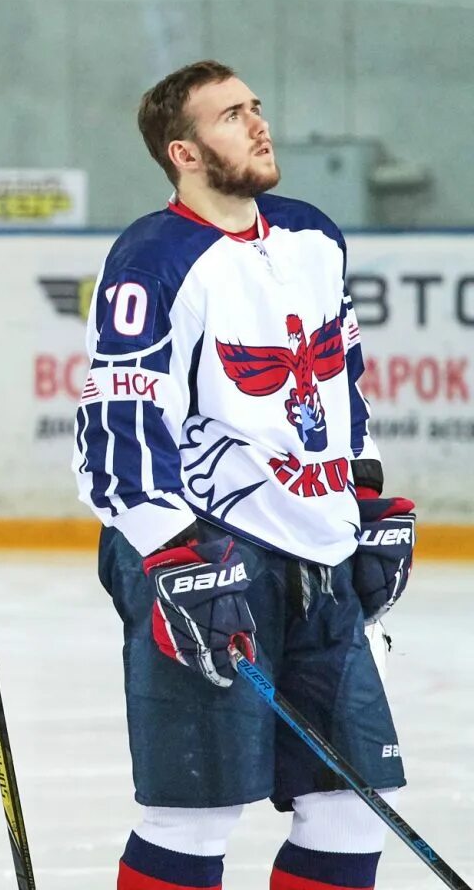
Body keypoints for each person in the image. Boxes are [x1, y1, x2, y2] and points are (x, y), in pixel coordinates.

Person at [74, 60, 417, 890]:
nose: (259, 124)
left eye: (257, 107)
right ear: (183, 152)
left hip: (318, 545)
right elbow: (118, 424)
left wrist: (360, 492)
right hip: (206, 550)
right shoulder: (153, 256)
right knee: (193, 819)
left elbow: (339, 380)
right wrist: (168, 553)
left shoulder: (311, 235)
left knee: (345, 805)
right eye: (232, 115)